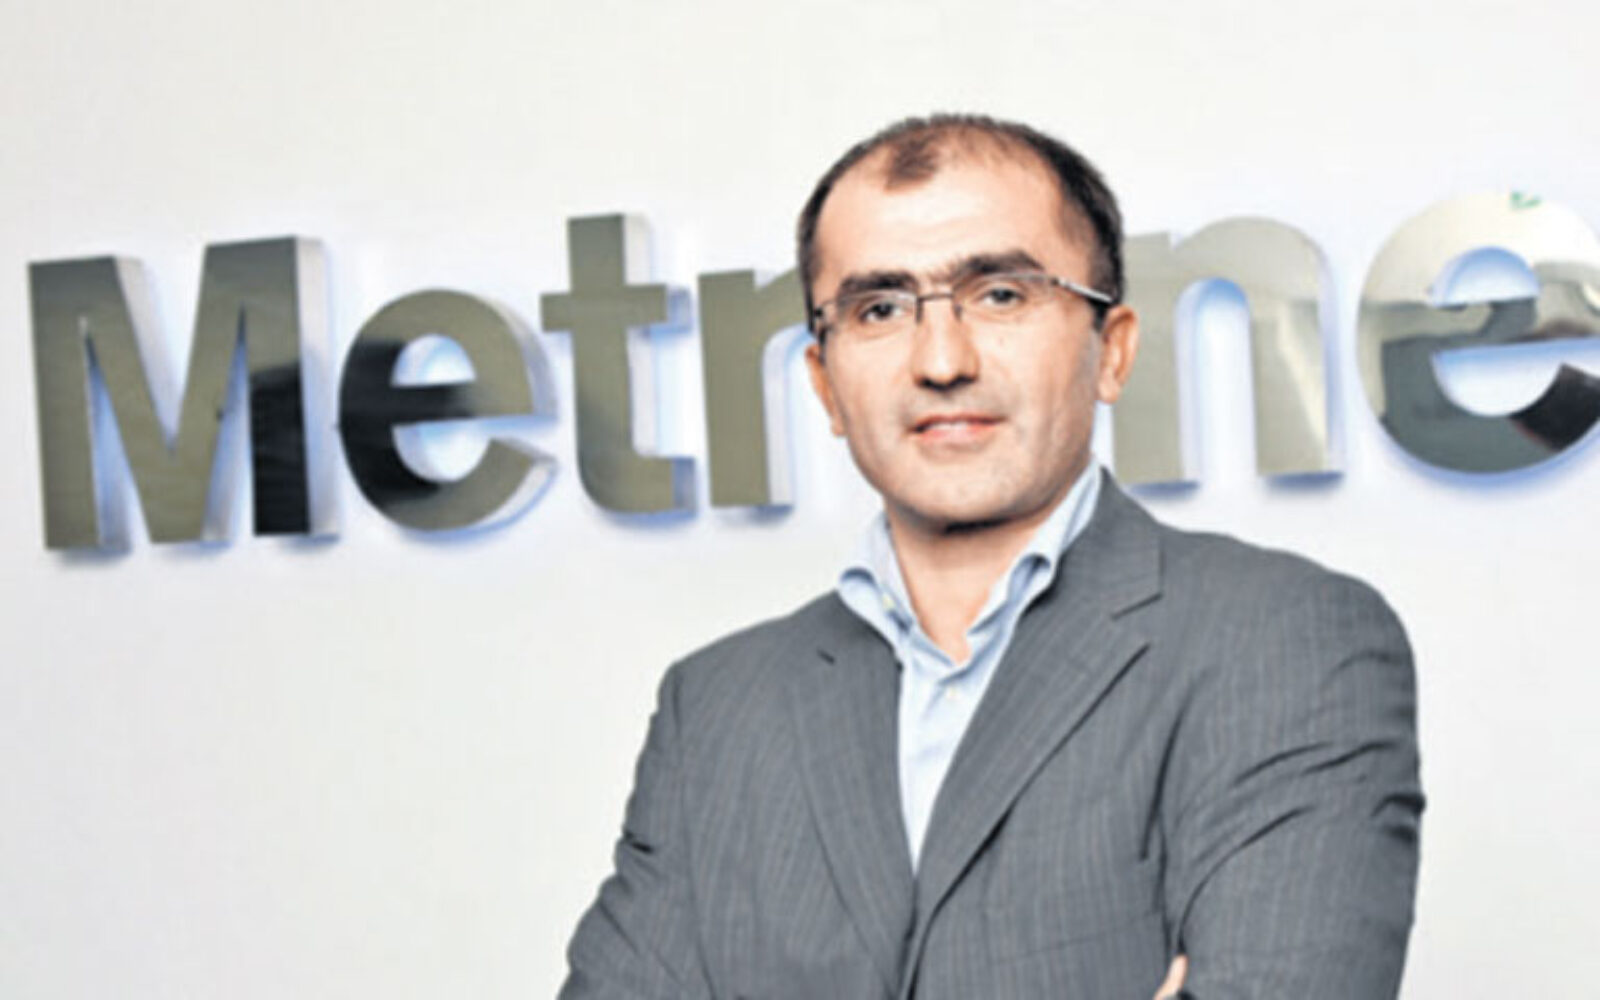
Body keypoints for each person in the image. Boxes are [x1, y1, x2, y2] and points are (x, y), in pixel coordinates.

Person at [558, 114, 1422, 999]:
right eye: (880, 308)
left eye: (1001, 294)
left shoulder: (1284, 642)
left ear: (1112, 350)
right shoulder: (717, 711)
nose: (942, 360)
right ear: (824, 384)